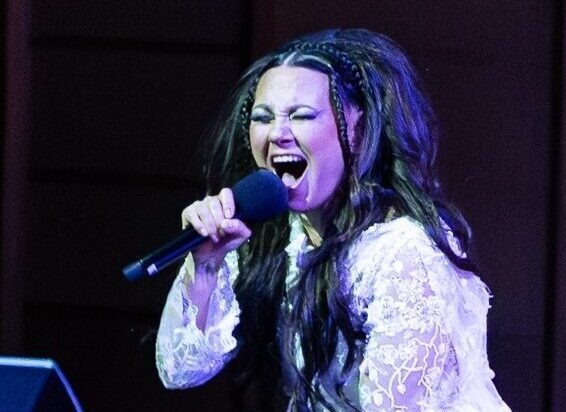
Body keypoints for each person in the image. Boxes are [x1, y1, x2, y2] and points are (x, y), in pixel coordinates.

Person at [155, 28, 511, 411]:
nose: (278, 134)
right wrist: (206, 264)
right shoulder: (280, 236)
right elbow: (180, 370)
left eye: (302, 116)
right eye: (262, 118)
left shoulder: (405, 254)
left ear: (358, 129)